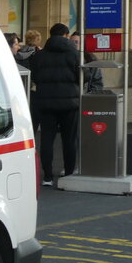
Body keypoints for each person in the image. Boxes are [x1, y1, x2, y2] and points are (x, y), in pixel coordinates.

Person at [28, 23, 80, 186]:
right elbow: (81, 75)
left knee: (47, 139)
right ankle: (69, 174)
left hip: (46, 102)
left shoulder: (40, 55)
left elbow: (34, 76)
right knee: (69, 139)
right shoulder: (74, 53)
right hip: (69, 103)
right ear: (65, 35)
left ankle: (48, 177)